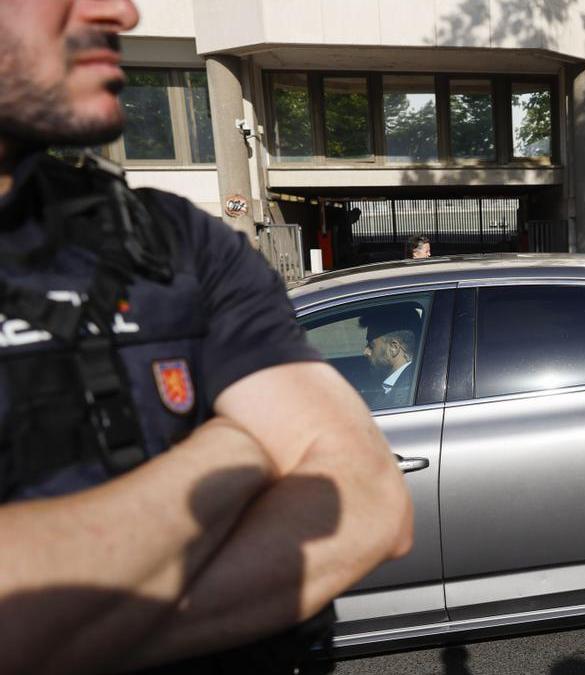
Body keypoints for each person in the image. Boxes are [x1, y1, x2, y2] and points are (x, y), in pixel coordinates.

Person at [0, 2, 413, 673]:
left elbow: (369, 504)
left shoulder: (170, 238)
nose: (123, 12)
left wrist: (53, 638)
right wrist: (240, 447)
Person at [361, 308, 420, 409]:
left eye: (371, 346)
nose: (365, 352)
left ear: (394, 348)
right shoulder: (407, 385)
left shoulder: (408, 395)